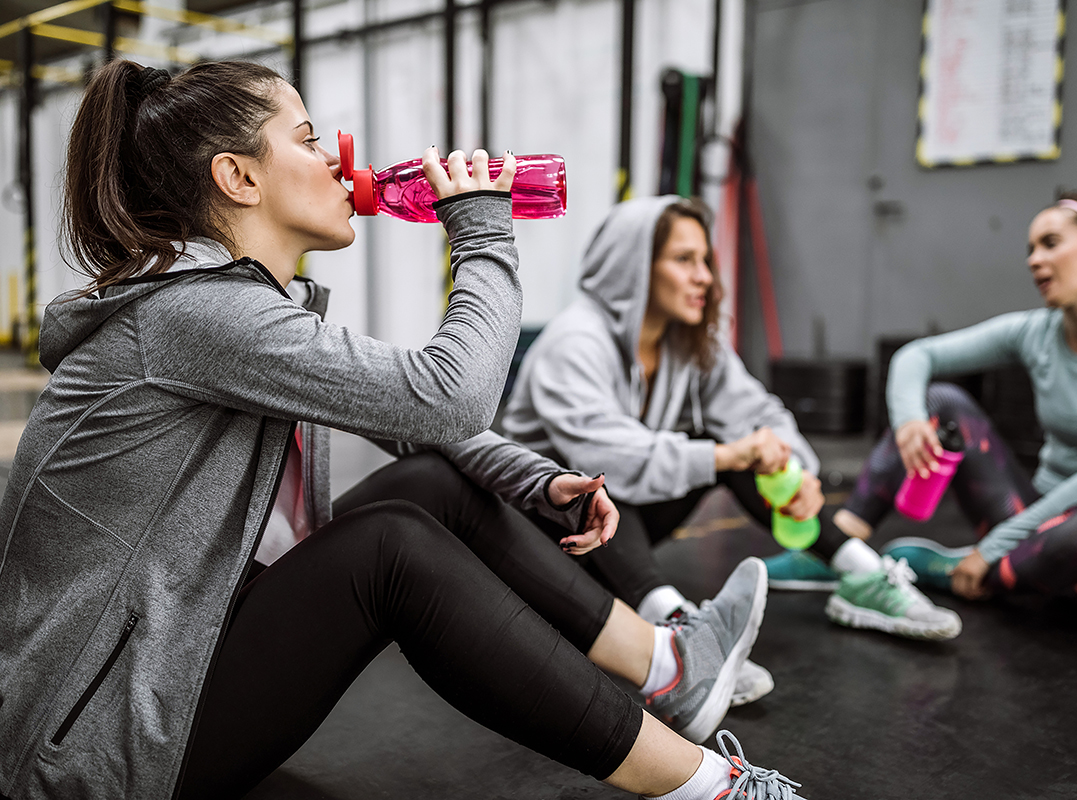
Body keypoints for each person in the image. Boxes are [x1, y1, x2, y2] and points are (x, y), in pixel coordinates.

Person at [0, 60, 807, 800]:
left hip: (175, 662)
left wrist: (532, 478)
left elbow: (415, 424)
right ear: (238, 177)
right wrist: (483, 231)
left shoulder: (232, 307)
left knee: (431, 485)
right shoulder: (195, 314)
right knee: (388, 548)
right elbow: (447, 397)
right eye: (310, 140)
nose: (335, 159)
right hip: (92, 743)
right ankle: (713, 790)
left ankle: (671, 669)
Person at [502, 196, 961, 642]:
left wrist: (796, 470)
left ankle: (861, 573)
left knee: (744, 446)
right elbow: (611, 459)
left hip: (617, 529)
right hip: (540, 540)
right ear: (634, 267)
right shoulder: (574, 342)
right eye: (684, 260)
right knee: (597, 474)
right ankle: (674, 629)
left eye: (705, 260)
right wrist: (728, 454)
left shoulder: (688, 340)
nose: (704, 277)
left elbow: (757, 415)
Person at [838, 192, 1077, 611]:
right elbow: (917, 356)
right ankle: (838, 550)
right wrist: (909, 421)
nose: (1032, 259)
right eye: (1030, 249)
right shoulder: (1035, 332)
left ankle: (965, 573)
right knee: (941, 402)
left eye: (1050, 243)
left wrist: (990, 549)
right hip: (1037, 523)